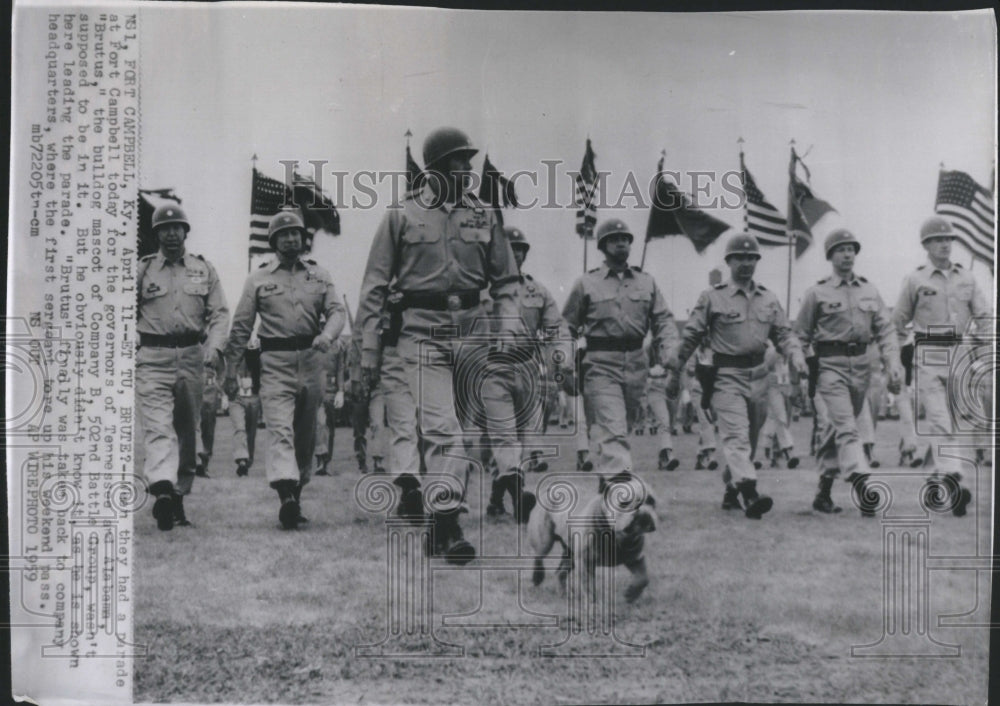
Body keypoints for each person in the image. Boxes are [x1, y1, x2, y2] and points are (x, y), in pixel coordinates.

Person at [356, 126, 521, 564]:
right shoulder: (402, 215)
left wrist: (507, 331)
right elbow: (374, 285)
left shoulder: (484, 215)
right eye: (459, 161)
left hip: (472, 332)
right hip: (420, 334)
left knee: (464, 436)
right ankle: (449, 526)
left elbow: (506, 281)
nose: (467, 169)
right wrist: (369, 349)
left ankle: (436, 524)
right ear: (435, 167)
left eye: (468, 161)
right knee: (443, 431)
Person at [667, 233, 806, 519]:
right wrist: (675, 367)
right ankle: (749, 492)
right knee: (737, 436)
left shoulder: (768, 298)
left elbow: (783, 334)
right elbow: (691, 334)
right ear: (728, 261)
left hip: (759, 376)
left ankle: (732, 489)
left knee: (751, 440)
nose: (746, 263)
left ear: (757, 261)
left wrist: (796, 355)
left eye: (751, 257)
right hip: (725, 376)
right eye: (739, 258)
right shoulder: (712, 297)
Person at [224, 210, 346, 529]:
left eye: (296, 233)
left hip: (312, 358)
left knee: (305, 435)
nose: (291, 238)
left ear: (303, 238)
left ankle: (296, 492)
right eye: (284, 234)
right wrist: (231, 369)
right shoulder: (259, 279)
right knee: (280, 428)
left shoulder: (320, 275)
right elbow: (240, 327)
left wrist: (327, 335)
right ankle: (285, 495)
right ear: (273, 240)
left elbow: (336, 311)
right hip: (275, 362)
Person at [796, 228, 902, 515]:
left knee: (835, 428)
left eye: (852, 249)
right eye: (841, 249)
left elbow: (887, 330)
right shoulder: (817, 293)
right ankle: (861, 482)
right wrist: (800, 361)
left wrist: (893, 362)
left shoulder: (869, 290)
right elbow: (800, 335)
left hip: (862, 368)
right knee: (847, 427)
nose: (847, 254)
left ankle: (823, 491)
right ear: (830, 255)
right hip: (830, 366)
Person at [562, 219, 679, 477]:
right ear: (603, 246)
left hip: (637, 364)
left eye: (625, 238)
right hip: (600, 364)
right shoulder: (586, 283)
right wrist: (565, 365)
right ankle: (620, 485)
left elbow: (663, 321)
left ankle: (609, 480)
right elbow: (565, 327)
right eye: (615, 239)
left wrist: (672, 353)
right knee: (612, 427)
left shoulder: (646, 282)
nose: (621, 243)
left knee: (620, 427)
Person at [891, 216, 991, 517]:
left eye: (948, 239)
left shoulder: (967, 278)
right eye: (938, 239)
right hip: (928, 355)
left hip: (959, 353)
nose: (945, 244)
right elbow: (897, 323)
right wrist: (894, 360)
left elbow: (984, 318)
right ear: (926, 245)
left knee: (950, 424)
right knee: (939, 421)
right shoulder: (915, 279)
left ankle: (935, 481)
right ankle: (954, 481)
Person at [137, 204, 229, 530]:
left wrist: (215, 347)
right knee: (158, 426)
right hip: (152, 357)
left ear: (186, 231)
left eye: (177, 227)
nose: (172, 233)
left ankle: (176, 497)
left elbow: (219, 314)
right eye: (165, 228)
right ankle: (162, 487)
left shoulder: (203, 270)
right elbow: (122, 311)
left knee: (188, 431)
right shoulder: (143, 269)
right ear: (156, 233)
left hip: (192, 356)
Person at [481, 226, 569, 520]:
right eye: (509, 248)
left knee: (523, 437)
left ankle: (496, 498)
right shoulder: (482, 288)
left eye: (520, 248)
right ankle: (520, 498)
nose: (515, 253)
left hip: (528, 368)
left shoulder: (538, 291)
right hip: (492, 367)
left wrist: (559, 364)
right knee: (504, 435)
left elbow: (556, 330)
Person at [758, 342, 800, 469]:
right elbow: (766, 364)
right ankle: (788, 451)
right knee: (780, 416)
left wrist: (794, 384)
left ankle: (767, 450)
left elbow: (791, 364)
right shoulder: (767, 343)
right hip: (771, 383)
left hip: (784, 384)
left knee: (773, 418)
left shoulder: (786, 341)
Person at [644, 338, 680, 470]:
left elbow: (678, 365)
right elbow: (639, 368)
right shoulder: (647, 349)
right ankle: (669, 454)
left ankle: (663, 458)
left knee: (669, 424)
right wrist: (650, 371)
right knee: (663, 421)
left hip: (670, 388)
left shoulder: (670, 347)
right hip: (654, 388)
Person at [229, 336, 262, 477]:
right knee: (240, 428)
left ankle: (247, 461)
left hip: (254, 398)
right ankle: (241, 459)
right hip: (237, 398)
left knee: (251, 432)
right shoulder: (234, 356)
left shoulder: (260, 360)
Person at [315, 335, 347, 475]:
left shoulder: (338, 346)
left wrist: (341, 391)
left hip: (332, 389)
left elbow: (340, 369)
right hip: (317, 388)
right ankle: (320, 459)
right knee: (320, 423)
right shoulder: (314, 342)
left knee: (330, 427)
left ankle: (326, 462)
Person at [195, 361, 222, 478]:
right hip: (192, 382)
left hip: (210, 386)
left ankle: (204, 461)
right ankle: (196, 459)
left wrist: (220, 387)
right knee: (192, 423)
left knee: (208, 425)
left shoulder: (216, 345)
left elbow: (223, 366)